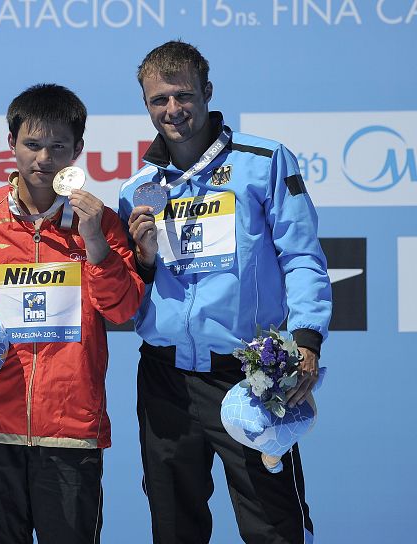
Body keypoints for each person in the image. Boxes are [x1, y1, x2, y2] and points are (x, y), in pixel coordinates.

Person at [118, 40, 332, 543]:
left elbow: (302, 257)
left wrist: (307, 339)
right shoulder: (137, 189)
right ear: (146, 104)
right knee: (173, 528)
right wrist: (142, 262)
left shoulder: (265, 161)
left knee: (273, 526)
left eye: (184, 95)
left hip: (249, 375)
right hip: (165, 379)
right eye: (159, 100)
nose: (173, 110)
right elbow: (133, 285)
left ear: (208, 92)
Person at [0, 83, 144, 543]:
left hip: (70, 428)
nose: (44, 158)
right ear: (11, 144)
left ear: (78, 150)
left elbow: (123, 310)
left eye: (58, 146)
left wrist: (95, 242)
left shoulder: (100, 222)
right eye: (33, 144)